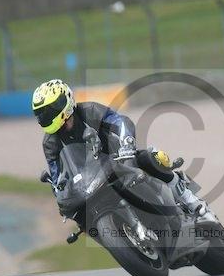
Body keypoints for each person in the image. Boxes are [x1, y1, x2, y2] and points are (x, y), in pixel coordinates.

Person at [31, 79, 206, 216]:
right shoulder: (50, 144)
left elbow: (120, 121)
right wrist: (61, 195)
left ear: (64, 102)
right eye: (42, 113)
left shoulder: (89, 111)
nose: (46, 116)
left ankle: (188, 198)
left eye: (49, 110)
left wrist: (126, 144)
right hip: (89, 182)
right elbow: (57, 177)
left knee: (152, 157)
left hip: (120, 159)